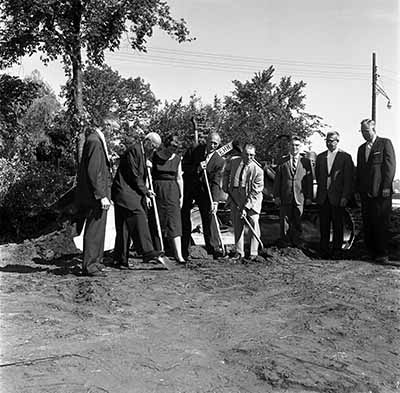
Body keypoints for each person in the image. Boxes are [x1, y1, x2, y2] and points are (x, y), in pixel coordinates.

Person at [111, 132, 163, 268]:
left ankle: (120, 259)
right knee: (138, 215)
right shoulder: (134, 150)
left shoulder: (143, 153)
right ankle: (147, 251)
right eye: (154, 146)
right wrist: (146, 191)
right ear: (147, 142)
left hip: (126, 192)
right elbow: (134, 175)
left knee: (123, 227)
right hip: (124, 191)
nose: (155, 150)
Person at [356, 119, 396, 264]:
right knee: (368, 222)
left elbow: (390, 166)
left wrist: (386, 186)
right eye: (362, 131)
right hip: (366, 193)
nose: (364, 134)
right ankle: (370, 253)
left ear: (373, 129)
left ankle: (382, 253)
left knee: (381, 223)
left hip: (381, 192)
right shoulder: (361, 149)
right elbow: (359, 171)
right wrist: (358, 190)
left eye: (366, 131)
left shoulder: (385, 143)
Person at [181, 132, 225, 259]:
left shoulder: (219, 161)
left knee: (208, 217)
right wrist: (197, 168)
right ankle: (184, 248)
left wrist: (215, 201)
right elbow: (184, 166)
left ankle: (213, 248)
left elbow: (216, 182)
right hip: (189, 188)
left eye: (215, 144)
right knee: (185, 216)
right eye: (211, 142)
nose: (212, 145)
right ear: (207, 141)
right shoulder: (194, 150)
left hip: (205, 192)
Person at [75, 126, 112, 277]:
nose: (114, 132)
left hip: (97, 194)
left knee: (99, 229)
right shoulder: (95, 141)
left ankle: (96, 262)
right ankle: (90, 266)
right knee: (94, 229)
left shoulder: (94, 140)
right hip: (95, 196)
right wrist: (101, 195)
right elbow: (93, 171)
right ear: (107, 125)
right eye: (114, 127)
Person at [315, 131, 354, 258]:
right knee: (324, 225)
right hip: (323, 196)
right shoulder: (320, 157)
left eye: (332, 140)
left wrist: (345, 196)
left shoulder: (345, 157)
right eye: (327, 140)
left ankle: (337, 250)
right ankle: (324, 250)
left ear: (338, 141)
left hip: (338, 197)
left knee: (338, 224)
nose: (329, 143)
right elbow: (318, 175)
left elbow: (348, 179)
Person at [223, 144, 264, 261]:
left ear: (254, 155)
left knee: (253, 222)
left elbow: (256, 192)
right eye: (247, 154)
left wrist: (246, 208)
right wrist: (225, 184)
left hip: (252, 198)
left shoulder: (258, 170)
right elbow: (226, 171)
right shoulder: (233, 161)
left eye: (252, 155)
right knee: (237, 223)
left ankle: (253, 252)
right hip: (236, 195)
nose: (249, 157)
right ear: (242, 154)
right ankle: (239, 252)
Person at [273, 136, 313, 247]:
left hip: (300, 196)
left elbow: (309, 181)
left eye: (297, 145)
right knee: (284, 221)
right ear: (289, 146)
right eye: (292, 145)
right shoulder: (282, 161)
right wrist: (276, 196)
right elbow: (278, 180)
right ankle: (285, 244)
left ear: (300, 147)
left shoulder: (306, 162)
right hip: (285, 196)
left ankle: (297, 243)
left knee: (298, 220)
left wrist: (309, 197)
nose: (294, 147)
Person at [151, 135, 185, 263]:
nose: (174, 149)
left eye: (176, 147)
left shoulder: (177, 159)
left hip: (172, 192)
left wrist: (181, 196)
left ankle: (179, 255)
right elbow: (148, 175)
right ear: (166, 144)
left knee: (174, 223)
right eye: (172, 146)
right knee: (158, 222)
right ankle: (159, 252)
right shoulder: (155, 156)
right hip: (157, 191)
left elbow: (179, 178)